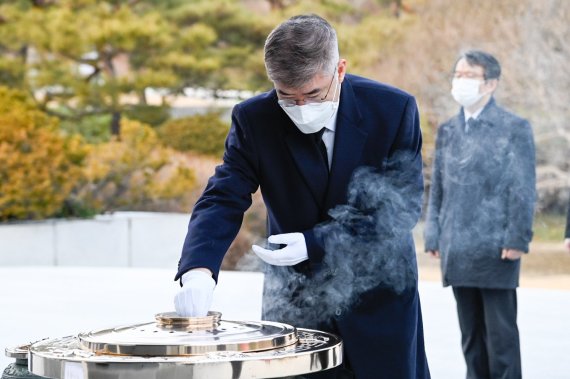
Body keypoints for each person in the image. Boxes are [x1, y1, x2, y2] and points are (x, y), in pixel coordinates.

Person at [174, 14, 430, 379]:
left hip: (380, 301)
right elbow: (223, 196)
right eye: (286, 98)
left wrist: (315, 242)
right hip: (296, 303)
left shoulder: (392, 110)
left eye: (313, 94)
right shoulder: (255, 119)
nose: (301, 109)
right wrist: (198, 270)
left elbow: (399, 212)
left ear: (339, 70)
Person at [424, 50, 536, 379]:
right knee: (471, 337)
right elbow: (439, 187)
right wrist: (434, 234)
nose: (460, 81)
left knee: (501, 338)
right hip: (458, 246)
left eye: (469, 76)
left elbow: (523, 187)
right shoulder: (448, 130)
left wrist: (517, 238)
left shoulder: (514, 127)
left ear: (490, 84)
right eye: (457, 74)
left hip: (497, 248)